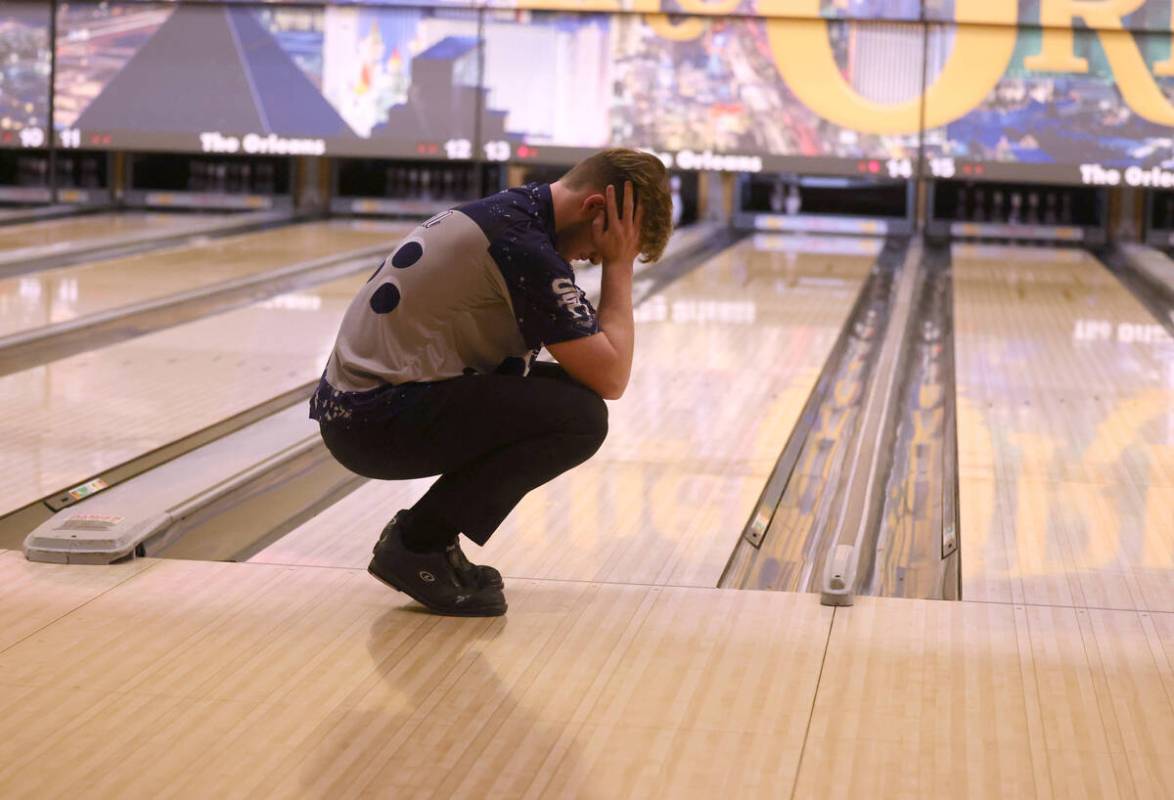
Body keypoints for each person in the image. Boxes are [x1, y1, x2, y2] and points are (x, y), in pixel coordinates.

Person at [310, 148, 673, 616]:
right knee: (579, 418)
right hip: (373, 420)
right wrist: (619, 268)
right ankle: (418, 545)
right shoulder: (523, 249)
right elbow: (612, 376)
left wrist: (613, 256)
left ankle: (429, 542)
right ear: (595, 209)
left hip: (364, 406)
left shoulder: (515, 213)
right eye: (597, 249)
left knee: (569, 398)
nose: (588, 259)